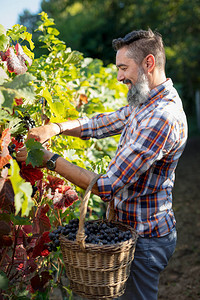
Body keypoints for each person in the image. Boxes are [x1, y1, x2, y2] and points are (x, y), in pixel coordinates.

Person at [16, 29, 188, 300]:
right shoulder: (145, 103)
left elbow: (106, 187)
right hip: (130, 231)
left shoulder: (162, 117)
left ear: (149, 63)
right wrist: (56, 128)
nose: (119, 77)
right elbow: (100, 123)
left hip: (145, 239)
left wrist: (49, 160)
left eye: (123, 68)